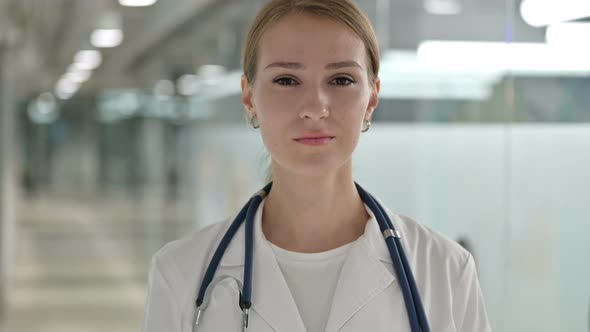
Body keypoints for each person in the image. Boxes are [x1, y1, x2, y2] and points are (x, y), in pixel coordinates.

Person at [141, 0, 492, 331]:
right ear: (249, 98)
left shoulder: (445, 271)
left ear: (371, 98)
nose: (315, 107)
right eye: (286, 80)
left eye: (341, 80)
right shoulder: (181, 274)